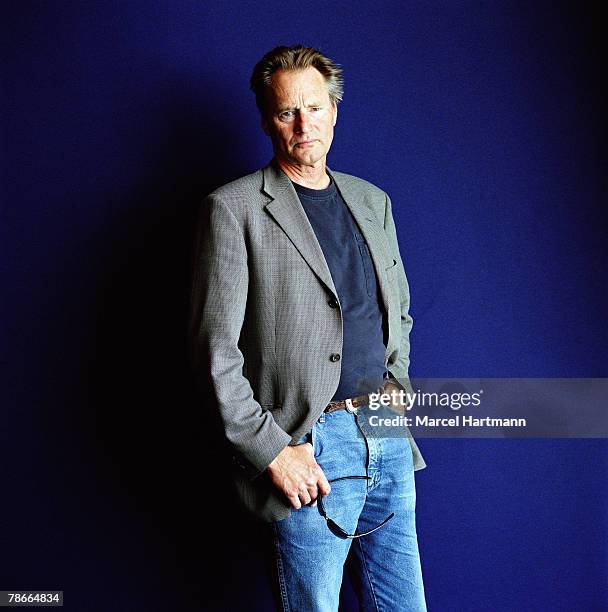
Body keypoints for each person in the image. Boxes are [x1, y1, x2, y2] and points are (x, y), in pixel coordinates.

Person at [189, 44, 427, 611]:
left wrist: (396, 393)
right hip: (309, 448)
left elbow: (399, 312)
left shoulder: (373, 201)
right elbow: (212, 351)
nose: (304, 124)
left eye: (316, 108)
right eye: (287, 112)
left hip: (386, 437)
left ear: (335, 110)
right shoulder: (234, 209)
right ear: (266, 118)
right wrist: (272, 452)